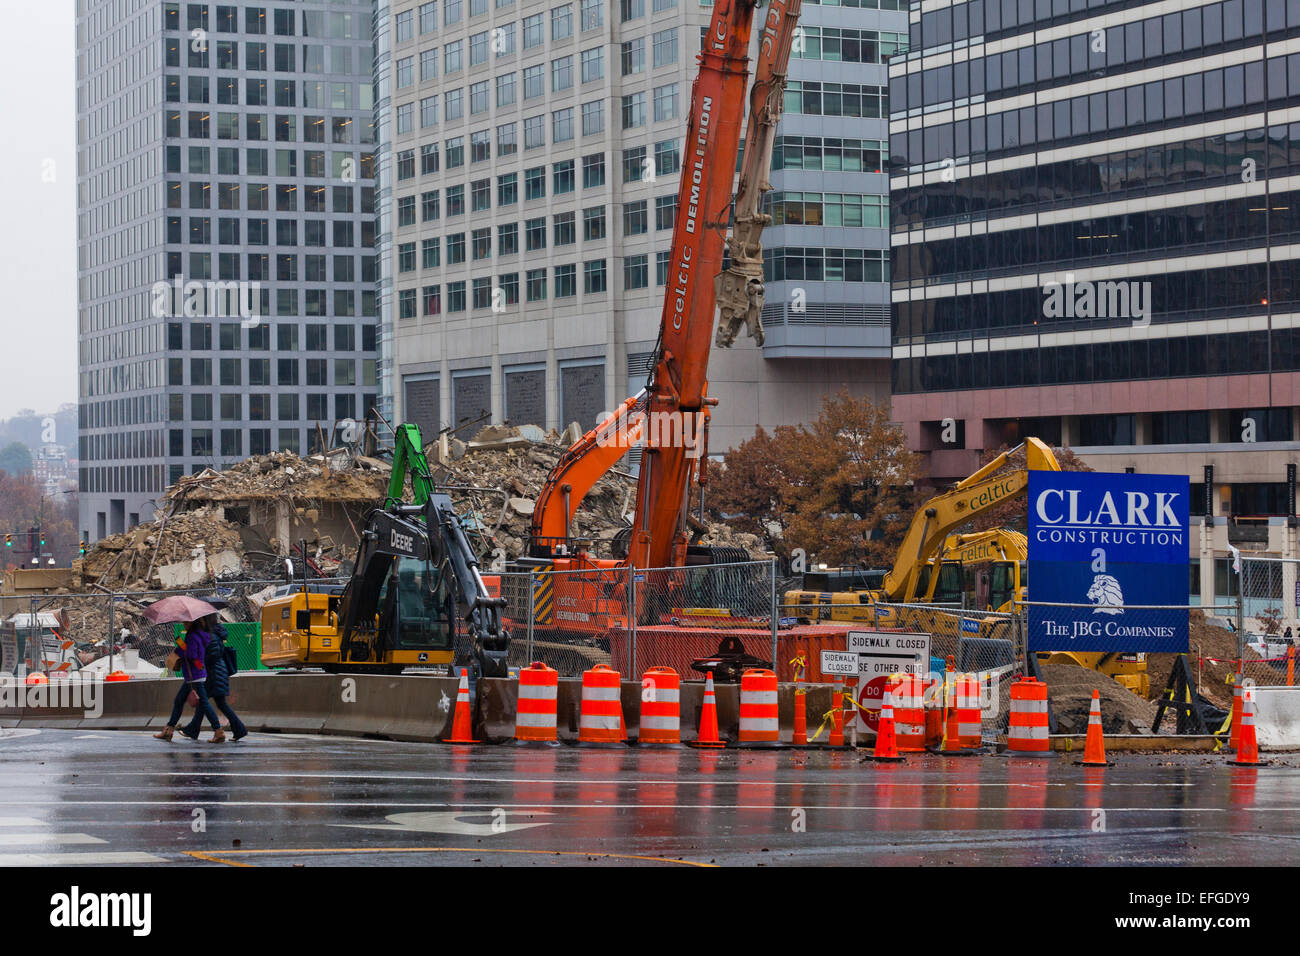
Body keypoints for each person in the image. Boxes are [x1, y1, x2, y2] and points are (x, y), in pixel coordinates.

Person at [153, 619, 224, 743]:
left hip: (194, 675)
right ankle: (169, 730)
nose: (184, 624)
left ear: (193, 623)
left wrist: (181, 646)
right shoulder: (202, 634)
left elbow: (191, 655)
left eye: (186, 622)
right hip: (197, 672)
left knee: (204, 704)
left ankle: (218, 731)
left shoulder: (192, 636)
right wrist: (182, 645)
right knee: (179, 700)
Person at [182, 614, 247, 741]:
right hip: (215, 673)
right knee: (212, 703)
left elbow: (211, 655)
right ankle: (239, 729)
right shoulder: (211, 634)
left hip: (214, 673)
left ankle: (196, 730)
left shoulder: (211, 636)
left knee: (209, 702)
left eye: (200, 619)